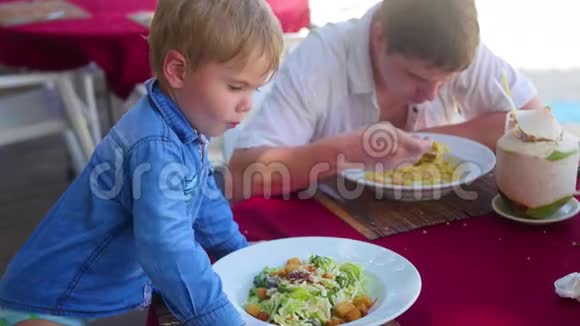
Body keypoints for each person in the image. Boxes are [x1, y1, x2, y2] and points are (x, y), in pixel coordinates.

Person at [0, 0, 283, 325]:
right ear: (177, 71)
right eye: (236, 87)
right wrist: (222, 319)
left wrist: (239, 254)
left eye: (254, 89)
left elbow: (205, 200)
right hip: (53, 304)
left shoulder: (183, 127)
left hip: (98, 301)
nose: (247, 104)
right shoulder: (155, 146)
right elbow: (168, 251)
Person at [228, 0, 543, 203]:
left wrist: (428, 144)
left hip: (437, 212)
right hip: (333, 227)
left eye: (444, 82)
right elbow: (244, 174)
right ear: (379, 37)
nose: (432, 94)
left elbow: (536, 123)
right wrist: (347, 152)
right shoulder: (321, 58)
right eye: (417, 77)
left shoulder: (450, 48)